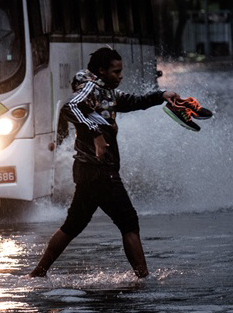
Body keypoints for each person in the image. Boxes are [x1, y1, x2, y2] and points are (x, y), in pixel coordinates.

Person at [29, 47, 180, 278]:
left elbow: (131, 101)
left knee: (73, 226)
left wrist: (161, 96)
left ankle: (38, 273)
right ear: (101, 71)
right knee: (128, 222)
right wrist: (96, 134)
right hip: (99, 171)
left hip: (89, 171)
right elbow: (70, 107)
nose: (120, 76)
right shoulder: (91, 88)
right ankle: (144, 279)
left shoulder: (105, 91)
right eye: (116, 72)